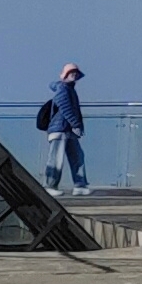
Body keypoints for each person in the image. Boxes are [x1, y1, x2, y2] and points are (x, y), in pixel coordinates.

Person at [44, 64, 89, 197]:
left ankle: (80, 185)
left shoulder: (68, 89)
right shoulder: (63, 88)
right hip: (61, 129)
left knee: (77, 157)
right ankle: (50, 185)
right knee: (56, 159)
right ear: (65, 74)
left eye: (75, 73)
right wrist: (76, 124)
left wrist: (76, 126)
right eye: (71, 72)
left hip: (67, 130)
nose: (74, 75)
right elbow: (65, 107)